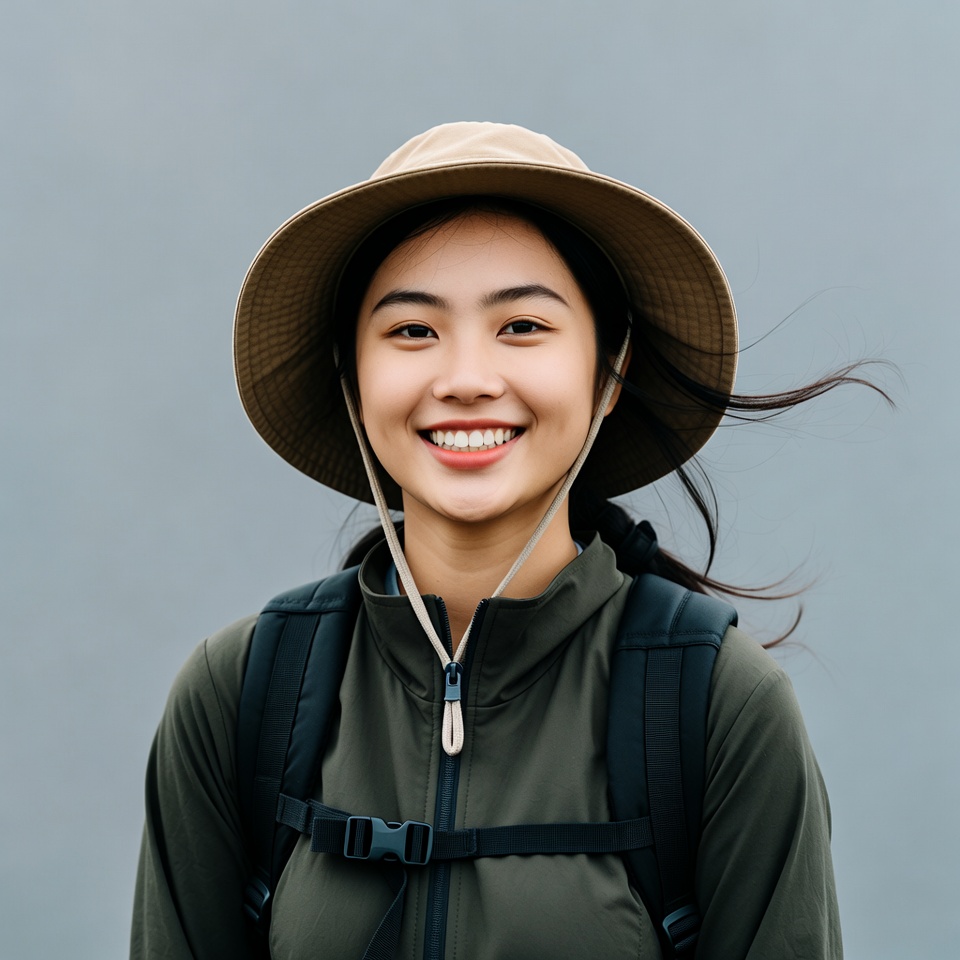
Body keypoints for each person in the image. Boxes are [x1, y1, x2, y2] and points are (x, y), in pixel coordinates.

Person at [131, 122, 854, 959]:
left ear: (610, 372)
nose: (467, 380)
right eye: (412, 330)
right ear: (352, 378)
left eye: (522, 326)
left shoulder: (722, 707)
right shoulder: (238, 698)